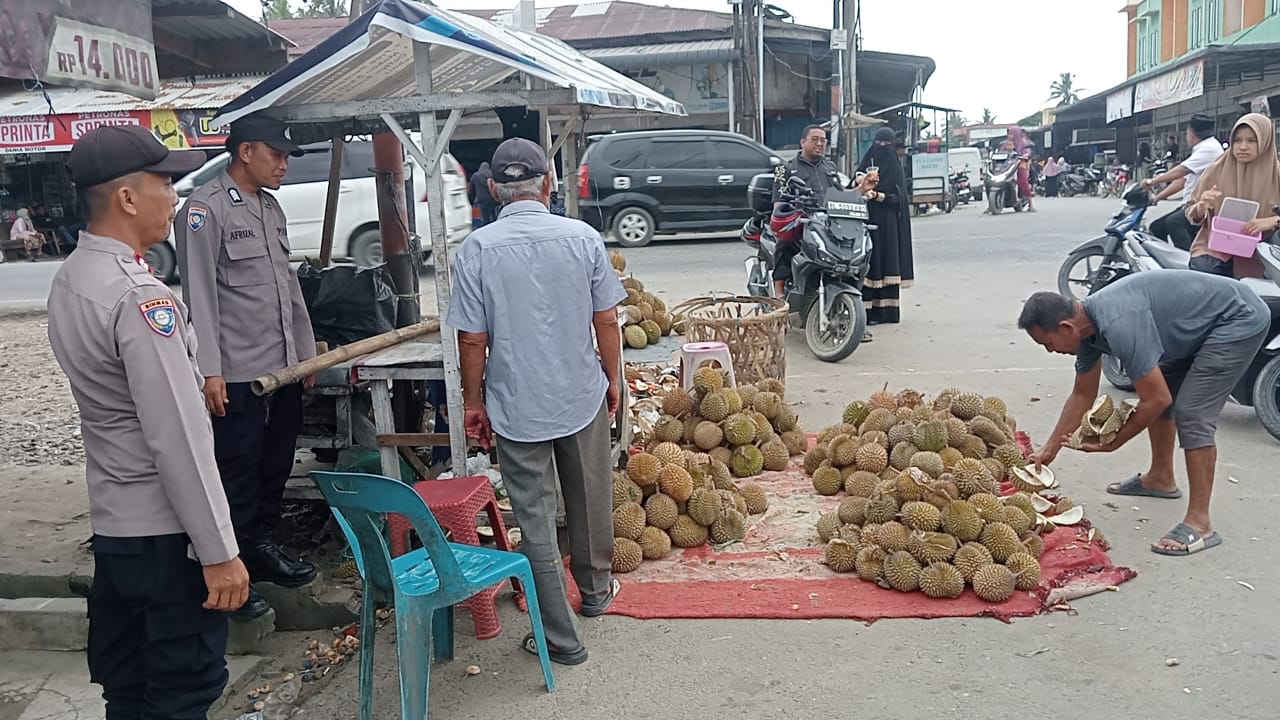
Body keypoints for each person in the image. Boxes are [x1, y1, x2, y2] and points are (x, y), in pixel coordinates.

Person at [48, 124, 250, 718]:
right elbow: (178, 436)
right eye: (165, 184)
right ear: (127, 198)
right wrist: (218, 550)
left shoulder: (73, 278)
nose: (175, 198)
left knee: (129, 690)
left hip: (116, 528)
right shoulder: (139, 298)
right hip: (166, 536)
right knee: (181, 692)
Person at [447, 138, 624, 666]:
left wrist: (472, 401)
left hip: (516, 402)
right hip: (581, 392)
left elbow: (472, 339)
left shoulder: (477, 249)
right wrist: (612, 378)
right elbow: (607, 319)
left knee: (536, 518)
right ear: (548, 183)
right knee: (590, 494)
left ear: (493, 188)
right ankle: (596, 592)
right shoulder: (582, 237)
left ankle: (561, 639)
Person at [174, 114, 318, 620]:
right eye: (276, 155)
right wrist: (209, 370)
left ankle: (260, 547)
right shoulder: (203, 210)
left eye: (287, 157)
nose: (284, 165)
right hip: (235, 370)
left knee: (276, 462)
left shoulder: (270, 207)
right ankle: (225, 573)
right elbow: (199, 295)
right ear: (245, 151)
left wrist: (305, 352)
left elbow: (288, 287)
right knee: (234, 469)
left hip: (281, 364)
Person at [1019, 271, 1268, 556]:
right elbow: (1082, 395)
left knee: (1192, 412)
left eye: (1048, 343)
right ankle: (1161, 477)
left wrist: (1114, 442)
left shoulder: (1118, 323)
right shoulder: (1086, 331)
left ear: (1065, 326)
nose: (1050, 351)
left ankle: (1200, 523)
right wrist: (1049, 449)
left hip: (1237, 318)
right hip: (1200, 325)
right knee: (1162, 381)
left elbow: (1156, 400)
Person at [1184, 113, 1280, 278]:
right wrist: (1201, 207)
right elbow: (1191, 211)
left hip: (1261, 255)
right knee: (1205, 274)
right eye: (1237, 140)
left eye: (1251, 141)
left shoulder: (1276, 174)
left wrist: (1272, 221)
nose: (1242, 147)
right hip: (1214, 250)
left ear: (1265, 141)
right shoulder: (1217, 168)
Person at [770, 125, 842, 299]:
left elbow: (841, 195)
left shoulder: (830, 167)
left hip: (827, 222)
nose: (819, 144)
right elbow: (778, 203)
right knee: (785, 241)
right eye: (814, 140)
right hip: (801, 222)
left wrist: (861, 189)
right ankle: (779, 290)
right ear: (802, 142)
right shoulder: (785, 169)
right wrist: (788, 215)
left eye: (823, 140)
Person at [857, 126, 914, 325]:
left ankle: (886, 313)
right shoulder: (867, 162)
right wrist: (860, 182)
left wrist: (877, 195)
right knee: (868, 261)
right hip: (865, 218)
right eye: (878, 143)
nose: (881, 147)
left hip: (888, 224)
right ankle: (867, 312)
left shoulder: (896, 169)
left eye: (886, 144)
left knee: (886, 260)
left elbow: (899, 199)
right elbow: (852, 184)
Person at [1143, 114, 1221, 251]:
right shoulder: (1201, 149)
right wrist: (1157, 197)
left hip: (1202, 207)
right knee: (1156, 227)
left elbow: (1182, 170)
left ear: (1191, 132)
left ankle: (1188, 260)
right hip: (1189, 204)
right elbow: (1182, 181)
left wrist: (1152, 181)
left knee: (1174, 222)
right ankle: (1164, 260)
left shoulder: (1209, 148)